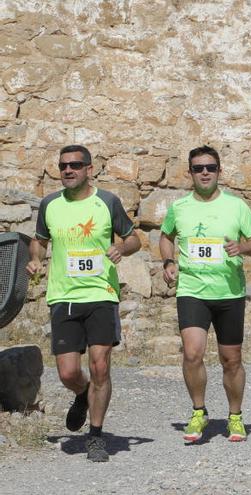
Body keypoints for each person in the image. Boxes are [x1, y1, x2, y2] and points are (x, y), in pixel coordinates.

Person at [26, 144, 141, 461]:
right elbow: (40, 241)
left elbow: (133, 238)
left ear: (89, 169)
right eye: (63, 165)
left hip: (101, 294)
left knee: (100, 365)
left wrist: (122, 249)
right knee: (67, 372)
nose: (68, 170)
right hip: (63, 296)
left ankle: (96, 436)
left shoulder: (107, 201)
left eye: (75, 165)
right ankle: (81, 393)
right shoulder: (50, 204)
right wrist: (36, 259)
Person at [160, 146, 251, 442]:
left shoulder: (237, 206)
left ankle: (235, 416)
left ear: (219, 171)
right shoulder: (179, 207)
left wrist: (241, 248)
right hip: (192, 290)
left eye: (210, 167)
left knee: (231, 359)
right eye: (198, 168)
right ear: (190, 173)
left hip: (229, 292)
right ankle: (198, 412)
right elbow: (166, 237)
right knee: (192, 353)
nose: (204, 172)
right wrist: (168, 261)